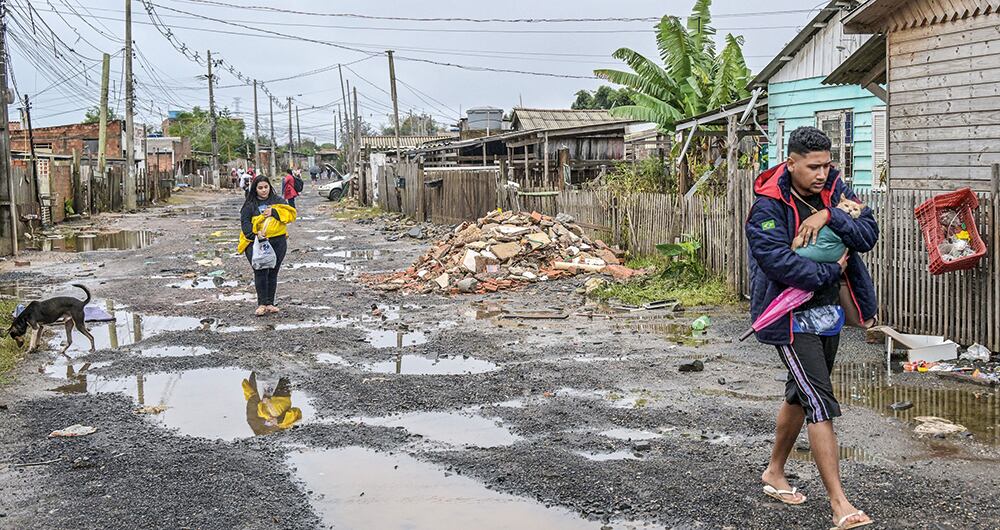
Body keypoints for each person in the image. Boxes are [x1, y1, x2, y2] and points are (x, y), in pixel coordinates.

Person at [745, 126, 878, 530]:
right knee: (819, 399)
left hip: (827, 314)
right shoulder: (767, 207)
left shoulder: (836, 192)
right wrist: (828, 272)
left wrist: (829, 213)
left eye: (827, 165)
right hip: (787, 315)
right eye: (813, 166)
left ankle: (774, 472)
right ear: (791, 163)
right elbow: (777, 262)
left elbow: (868, 234)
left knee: (799, 394)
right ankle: (840, 504)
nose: (822, 173)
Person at [238, 175, 297, 316]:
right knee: (260, 271)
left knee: (273, 272)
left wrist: (274, 212)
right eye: (260, 188)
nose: (263, 190)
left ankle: (270, 303)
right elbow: (245, 225)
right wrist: (256, 235)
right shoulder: (249, 205)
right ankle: (261, 304)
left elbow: (290, 215)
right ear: (255, 189)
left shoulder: (277, 201)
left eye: (266, 187)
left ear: (270, 187)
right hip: (255, 243)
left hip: (278, 242)